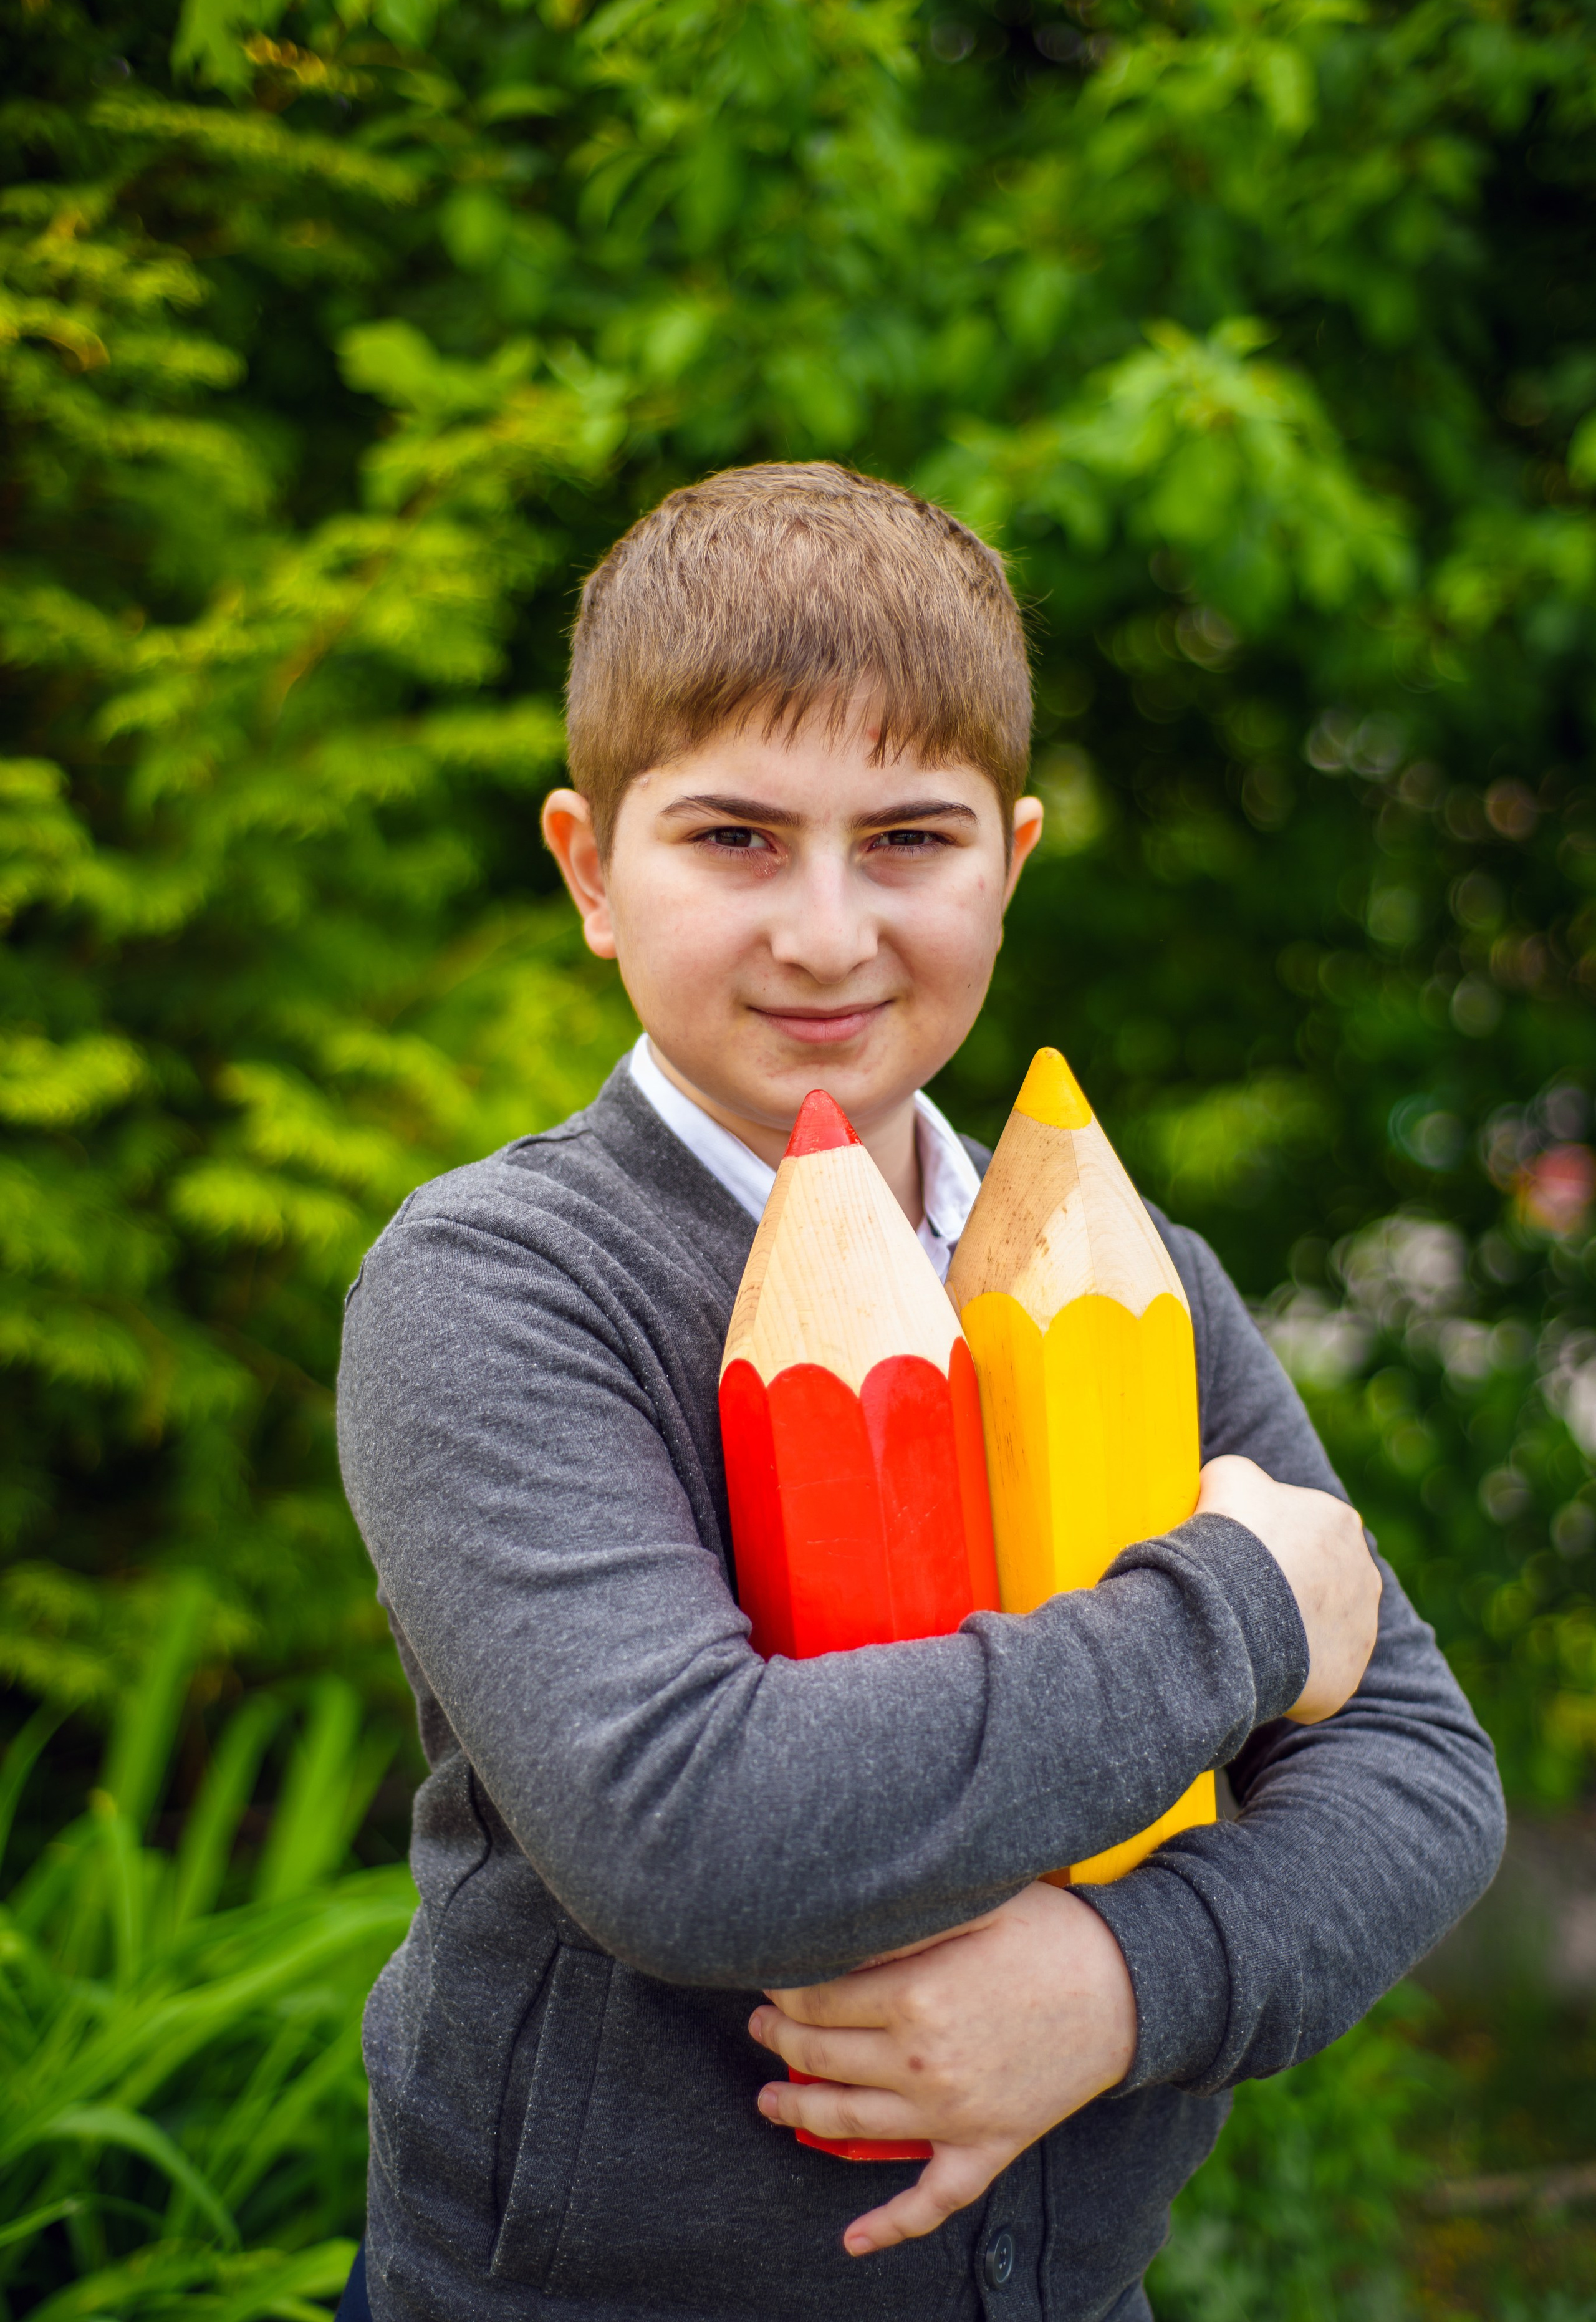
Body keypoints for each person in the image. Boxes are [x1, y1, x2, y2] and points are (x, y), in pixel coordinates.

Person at [335, 461, 1504, 2322]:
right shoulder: (502, 1284)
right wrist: (1249, 1605)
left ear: (1013, 860)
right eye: (733, 837)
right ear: (587, 870)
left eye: (909, 839)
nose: (825, 930)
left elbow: (1422, 1770)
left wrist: (1118, 1985)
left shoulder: (1125, 1272)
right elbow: (684, 1823)